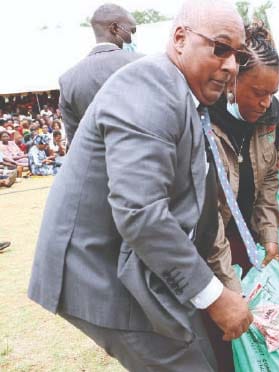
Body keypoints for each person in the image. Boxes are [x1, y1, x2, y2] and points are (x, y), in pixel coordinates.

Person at [28, 1, 253, 370]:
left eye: (237, 55)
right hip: (102, 272)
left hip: (134, 262)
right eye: (220, 48)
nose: (230, 65)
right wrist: (215, 297)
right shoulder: (151, 85)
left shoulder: (181, 92)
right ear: (180, 38)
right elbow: (140, 212)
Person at [204, 26, 279, 371]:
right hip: (209, 247)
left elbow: (269, 176)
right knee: (224, 332)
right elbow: (207, 221)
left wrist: (268, 232)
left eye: (273, 93)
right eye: (258, 92)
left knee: (259, 328)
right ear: (233, 79)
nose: (266, 102)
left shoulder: (267, 118)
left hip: (246, 239)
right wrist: (227, 286)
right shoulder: (204, 123)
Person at [58, 3, 142, 145]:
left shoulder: (67, 80)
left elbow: (75, 144)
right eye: (131, 31)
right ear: (115, 28)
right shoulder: (143, 64)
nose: (131, 38)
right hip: (143, 161)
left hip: (98, 165)